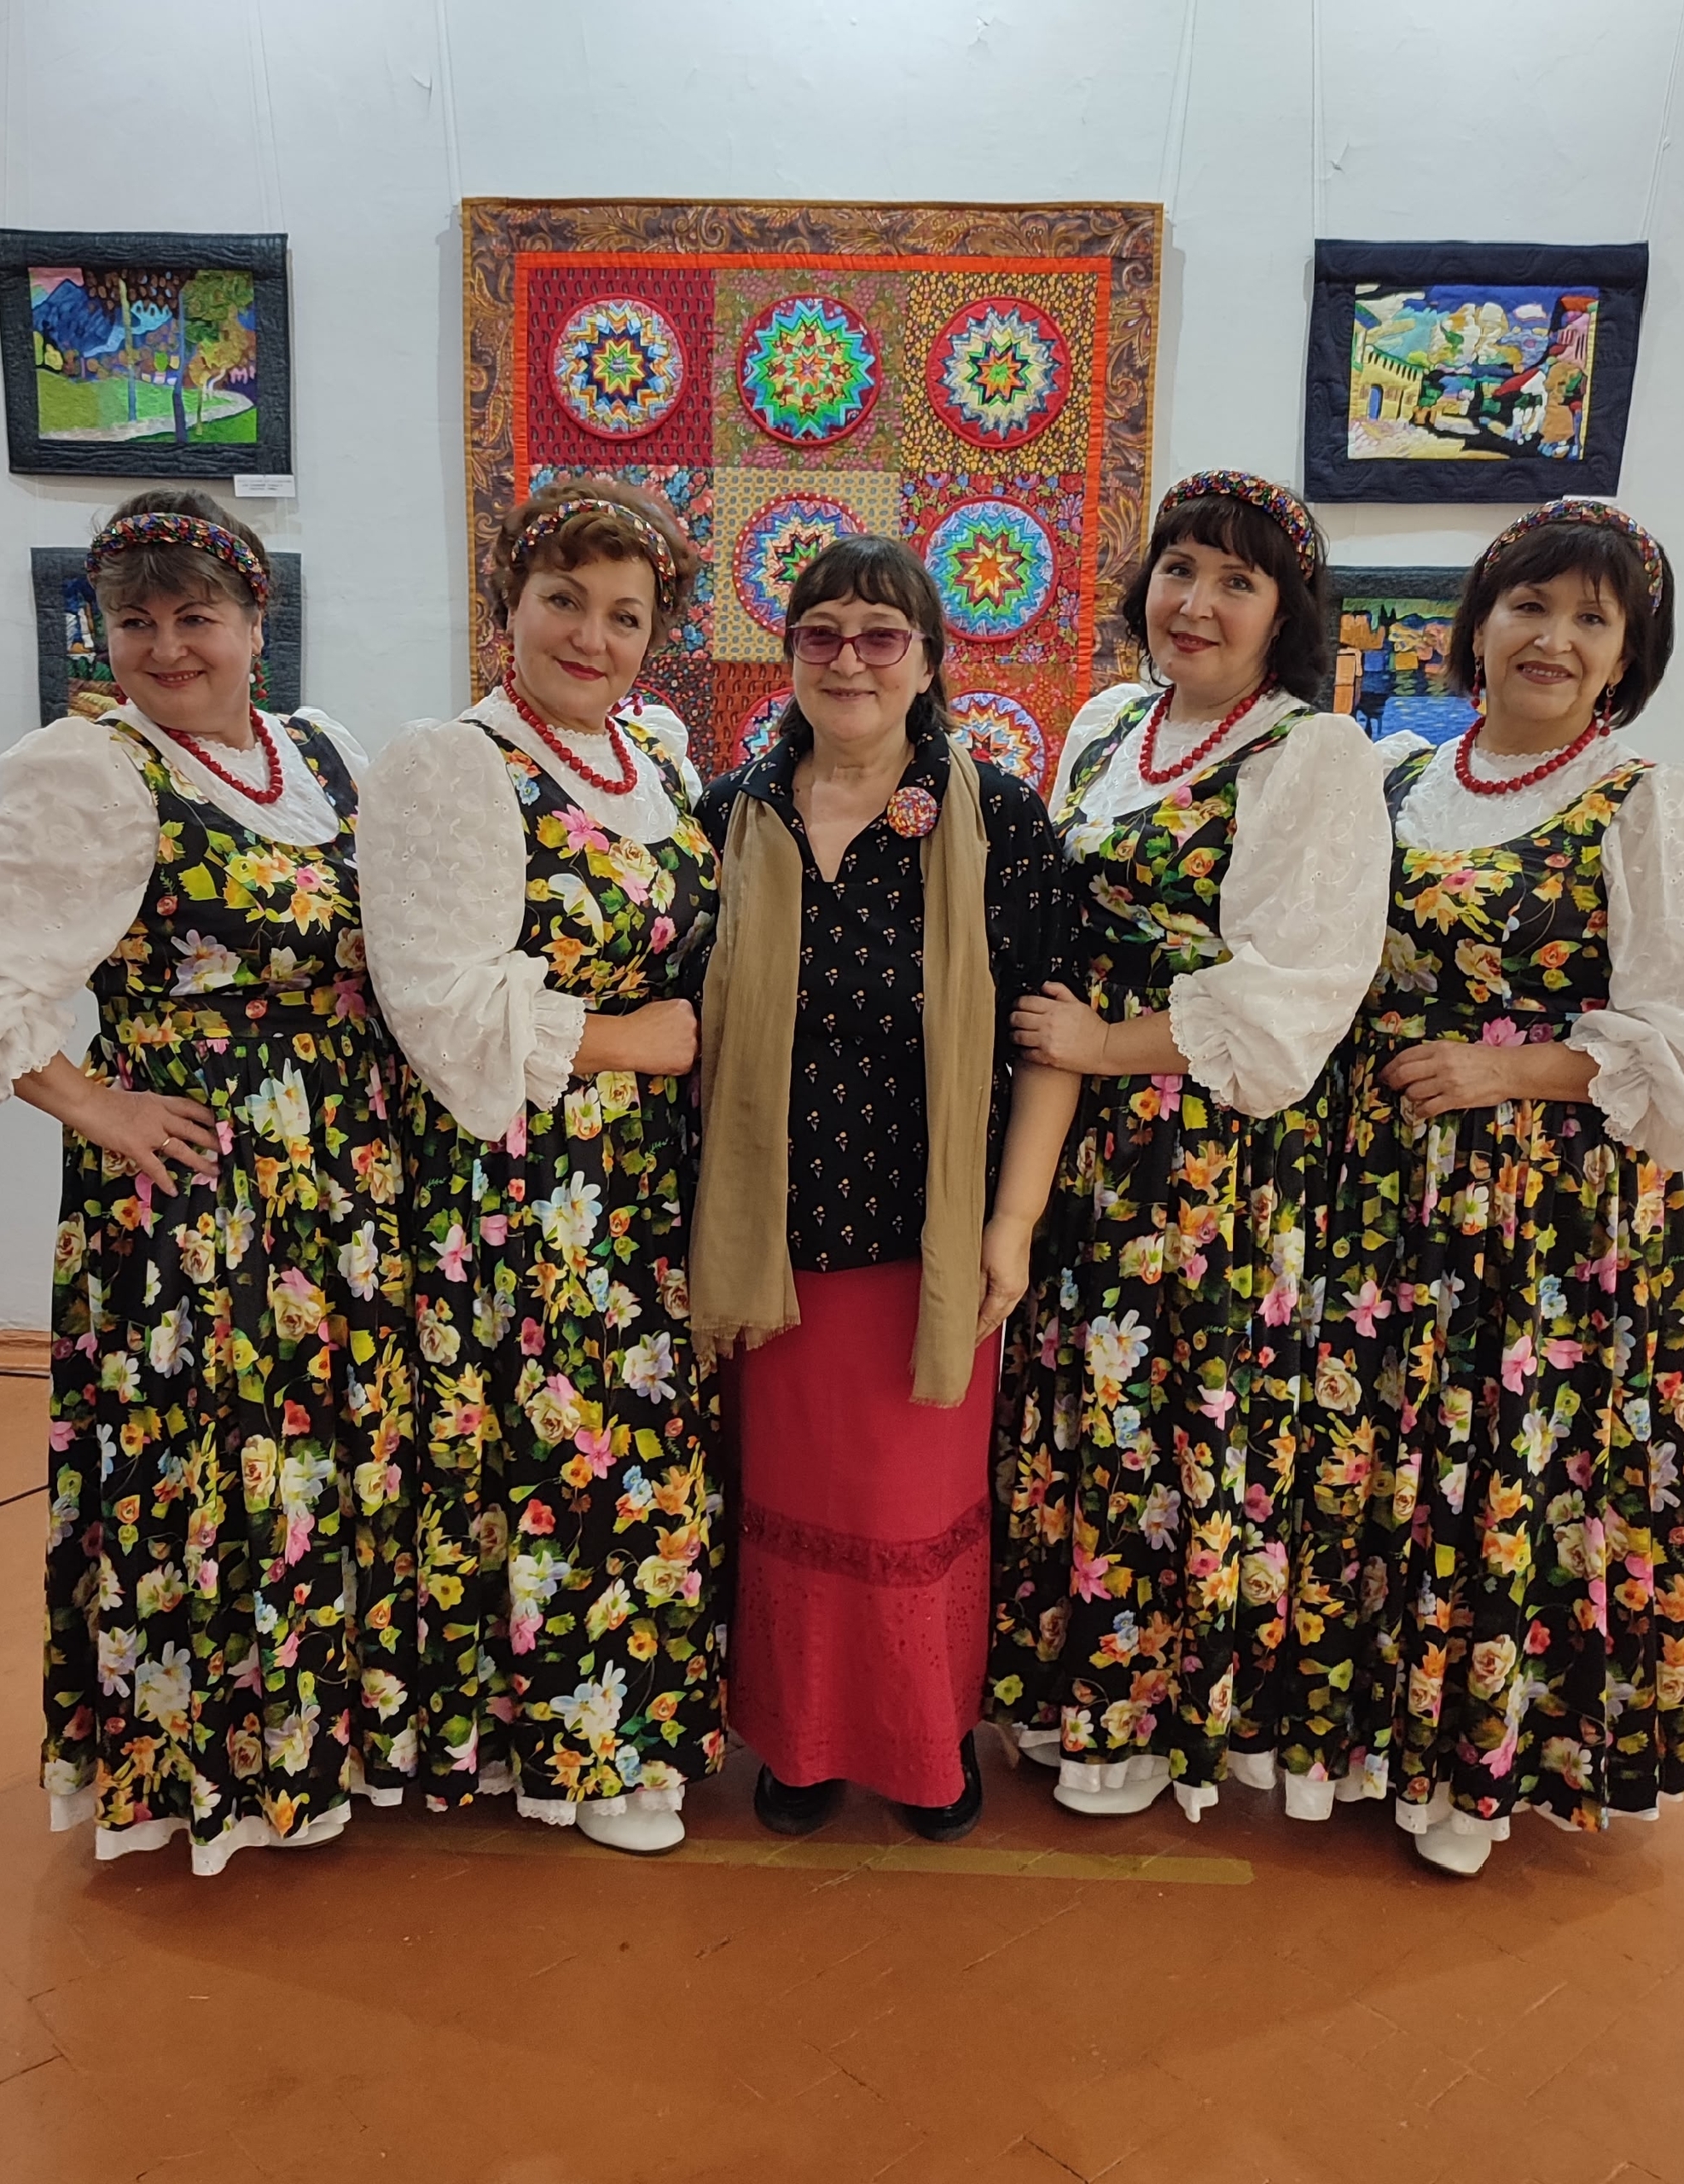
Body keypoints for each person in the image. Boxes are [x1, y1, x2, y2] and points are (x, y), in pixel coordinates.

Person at [0, 490, 413, 1874]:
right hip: (199, 1188)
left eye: (196, 616)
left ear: (255, 622)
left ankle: (324, 1741)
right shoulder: (94, 772)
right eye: (135, 621)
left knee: (326, 1453)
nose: (168, 647)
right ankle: (213, 1767)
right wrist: (91, 1101)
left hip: (344, 1174)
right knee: (216, 1460)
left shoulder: (323, 754)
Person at [1307, 498, 1684, 1875]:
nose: (1552, 638)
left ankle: (1483, 1770)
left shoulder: (1655, 804)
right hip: (1387, 1189)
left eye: (1590, 618)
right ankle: (1372, 1740)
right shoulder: (1393, 780)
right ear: (1478, 624)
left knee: (1512, 1463)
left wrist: (1507, 1071)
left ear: (1628, 655)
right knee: (1387, 1455)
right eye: (1529, 605)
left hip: (1547, 1207)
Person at [988, 471, 1391, 1823]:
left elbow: (1298, 991)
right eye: (1179, 569)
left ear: (1286, 614)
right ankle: (1065, 1691)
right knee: (1077, 1405)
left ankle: (1153, 1722)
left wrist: (1106, 1044)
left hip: (1208, 1151)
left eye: (1236, 581)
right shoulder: (1109, 725)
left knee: (1180, 1419)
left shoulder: (1310, 756)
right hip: (1079, 1136)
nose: (1197, 603)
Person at [357, 479, 724, 1856]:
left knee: (637, 1451)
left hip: (639, 1175)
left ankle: (629, 1720)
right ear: (506, 605)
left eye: (625, 616)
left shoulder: (654, 759)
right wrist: (640, 1041)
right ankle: (561, 1745)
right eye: (564, 601)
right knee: (554, 1453)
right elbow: (436, 1001)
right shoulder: (453, 765)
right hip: (519, 1181)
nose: (592, 637)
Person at [692, 534, 1076, 1844]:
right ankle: (802, 1744)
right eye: (821, 634)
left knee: (911, 1513)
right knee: (792, 1505)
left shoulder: (998, 818)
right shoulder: (731, 816)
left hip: (930, 1242)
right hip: (771, 1244)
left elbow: (1045, 1036)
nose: (848, 660)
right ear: (788, 654)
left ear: (929, 659)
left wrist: (1012, 1224)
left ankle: (923, 1745)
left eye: (879, 635)